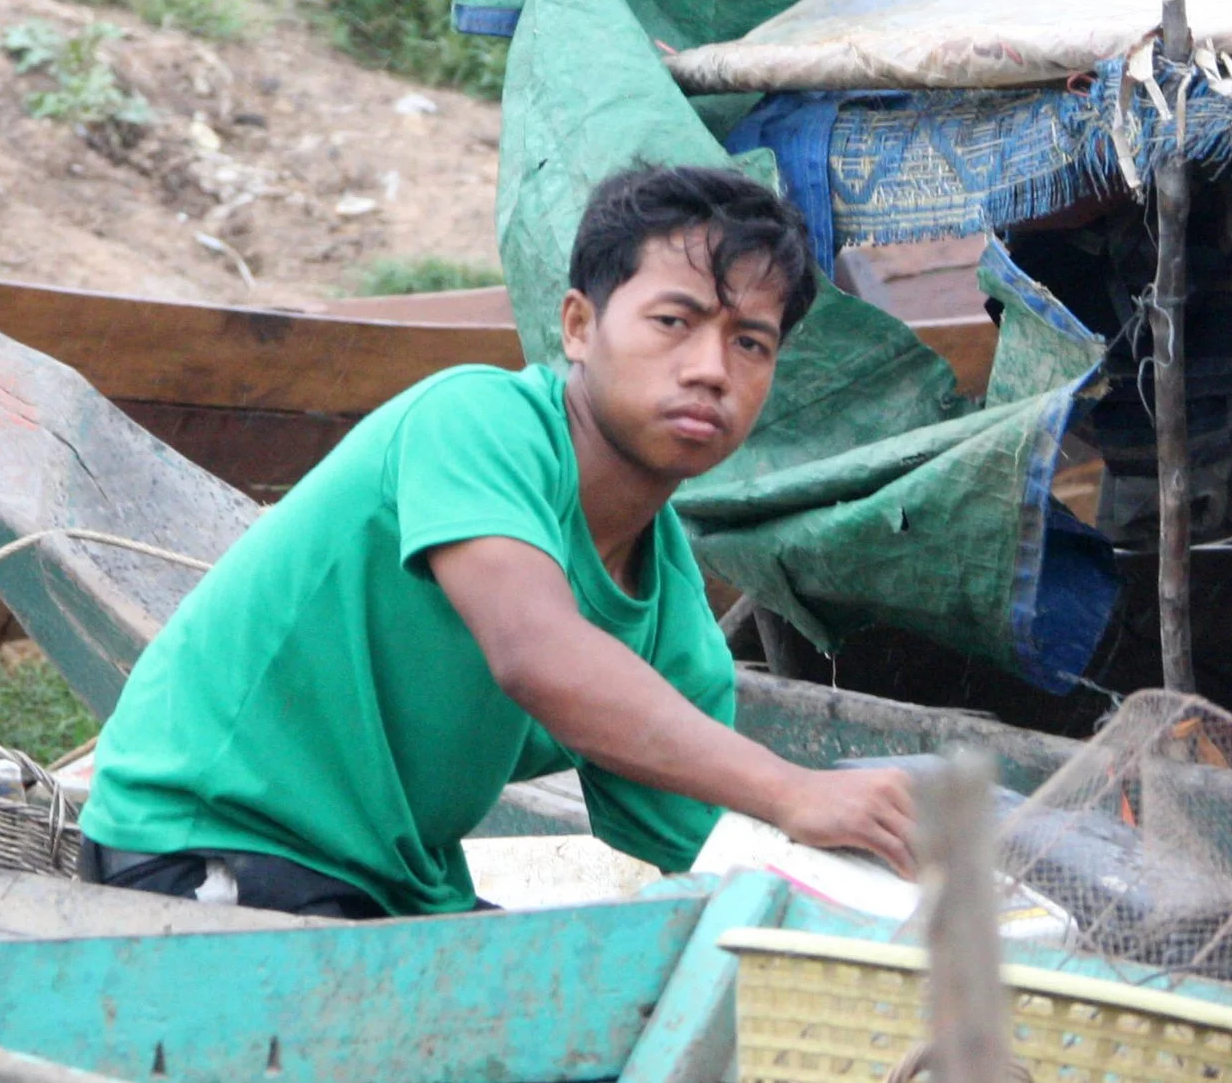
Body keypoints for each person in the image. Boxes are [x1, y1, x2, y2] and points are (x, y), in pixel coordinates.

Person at [76, 165, 915, 917]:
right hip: (206, 844)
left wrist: (903, 888)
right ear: (580, 327)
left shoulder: (669, 616)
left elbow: (716, 838)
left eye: (750, 342)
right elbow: (537, 653)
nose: (710, 368)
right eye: (674, 321)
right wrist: (794, 788)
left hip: (393, 886)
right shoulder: (476, 421)